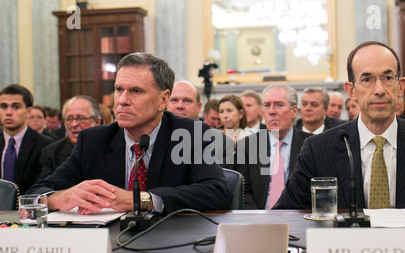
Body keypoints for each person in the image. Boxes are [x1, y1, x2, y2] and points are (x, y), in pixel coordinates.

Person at [28, 52, 232, 214]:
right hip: (107, 247)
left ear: (163, 99)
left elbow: (216, 193)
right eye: (118, 90)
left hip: (170, 246)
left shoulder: (191, 134)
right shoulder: (93, 140)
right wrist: (60, 198)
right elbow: (34, 195)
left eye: (136, 91)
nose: (122, 100)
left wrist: (139, 200)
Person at [275, 41, 405, 210]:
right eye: (367, 79)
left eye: (388, 78)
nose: (379, 90)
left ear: (401, 86)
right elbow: (286, 215)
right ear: (351, 90)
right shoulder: (318, 149)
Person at [235, 84, 312, 209]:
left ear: (293, 111)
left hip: (298, 217)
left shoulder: (311, 145)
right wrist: (260, 220)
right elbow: (244, 192)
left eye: (279, 105)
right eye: (267, 105)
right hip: (258, 219)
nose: (271, 111)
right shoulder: (247, 146)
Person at [0, 84, 54, 194]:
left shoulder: (45, 145)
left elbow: (42, 188)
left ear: (28, 112)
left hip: (27, 207)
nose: (8, 112)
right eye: (3, 106)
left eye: (16, 107)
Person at [38, 95, 102, 180]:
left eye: (81, 118)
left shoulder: (112, 150)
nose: (74, 124)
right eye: (69, 119)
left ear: (97, 122)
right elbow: (43, 189)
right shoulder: (51, 153)